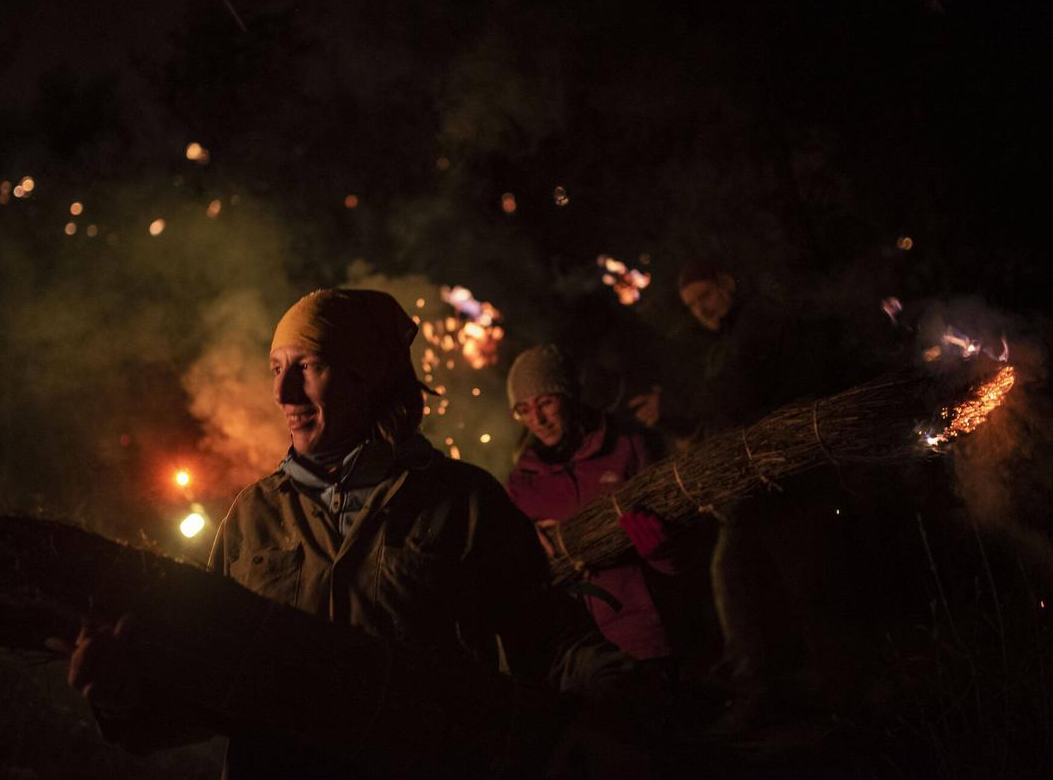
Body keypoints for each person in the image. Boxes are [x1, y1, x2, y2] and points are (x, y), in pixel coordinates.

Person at [65, 289, 651, 779]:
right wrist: (124, 700)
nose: (283, 394)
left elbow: (552, 643)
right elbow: (210, 684)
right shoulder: (252, 518)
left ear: (365, 376)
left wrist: (619, 697)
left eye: (308, 366)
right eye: (276, 369)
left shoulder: (462, 502)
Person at [654, 257, 861, 732]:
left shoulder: (763, 324)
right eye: (692, 305)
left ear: (727, 283)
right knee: (737, 580)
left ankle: (844, 700)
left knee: (810, 592)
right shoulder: (722, 342)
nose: (701, 309)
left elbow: (746, 397)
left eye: (705, 296)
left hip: (792, 485)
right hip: (751, 494)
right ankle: (764, 692)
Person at [504, 344, 680, 683]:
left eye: (545, 403)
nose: (537, 420)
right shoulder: (520, 484)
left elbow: (680, 555)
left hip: (642, 638)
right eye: (524, 410)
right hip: (578, 654)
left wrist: (660, 550)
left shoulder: (626, 447)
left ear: (569, 396)